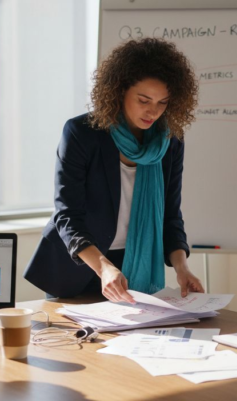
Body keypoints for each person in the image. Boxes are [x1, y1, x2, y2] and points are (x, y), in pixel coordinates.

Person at [25, 38, 204, 302]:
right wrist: (103, 267)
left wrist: (182, 267)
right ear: (120, 91)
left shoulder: (170, 141)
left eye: (162, 103)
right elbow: (67, 215)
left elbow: (170, 214)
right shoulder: (81, 134)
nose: (153, 111)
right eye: (144, 100)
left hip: (134, 267)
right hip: (80, 265)